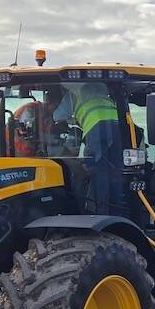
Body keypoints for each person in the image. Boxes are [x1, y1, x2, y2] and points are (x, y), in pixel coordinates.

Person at [53, 83, 125, 215]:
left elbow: (57, 117)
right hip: (117, 125)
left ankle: (100, 212)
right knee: (116, 171)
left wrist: (71, 121)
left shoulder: (72, 94)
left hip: (95, 125)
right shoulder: (102, 89)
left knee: (97, 170)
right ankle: (118, 211)